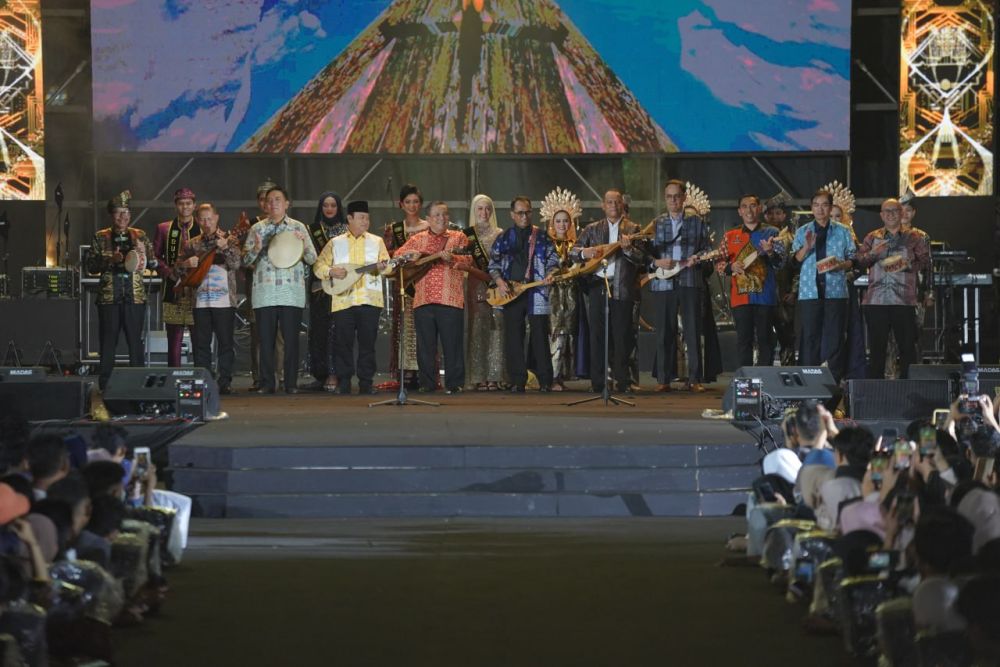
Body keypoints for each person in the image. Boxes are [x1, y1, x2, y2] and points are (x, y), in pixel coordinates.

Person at [242, 186, 316, 394]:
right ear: (265, 205)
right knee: (265, 341)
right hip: (264, 293)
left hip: (291, 292)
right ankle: (266, 383)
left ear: (286, 204)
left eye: (277, 199)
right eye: (269, 200)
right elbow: (245, 261)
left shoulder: (298, 228)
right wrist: (256, 248)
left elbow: (312, 259)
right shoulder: (256, 229)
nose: (273, 203)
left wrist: (302, 246)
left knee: (291, 340)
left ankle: (290, 382)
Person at [571, 189, 645, 395]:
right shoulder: (592, 229)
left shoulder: (633, 228)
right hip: (597, 286)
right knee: (597, 335)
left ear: (622, 205)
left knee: (622, 335)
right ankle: (599, 381)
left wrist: (629, 249)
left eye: (617, 202)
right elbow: (573, 252)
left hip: (622, 287)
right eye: (609, 202)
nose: (613, 205)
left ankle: (623, 381)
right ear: (603, 206)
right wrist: (586, 252)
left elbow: (641, 259)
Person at [313, 201, 389, 395]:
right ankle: (344, 381)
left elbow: (389, 267)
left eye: (367, 218)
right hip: (343, 300)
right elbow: (318, 266)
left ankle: (366, 382)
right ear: (349, 218)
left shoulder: (376, 241)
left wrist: (384, 267)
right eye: (361, 217)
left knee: (367, 343)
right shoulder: (335, 242)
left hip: (369, 300)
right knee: (343, 343)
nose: (366, 221)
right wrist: (331, 271)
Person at [394, 202, 471, 394]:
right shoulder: (417, 239)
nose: (441, 218)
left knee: (452, 345)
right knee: (425, 346)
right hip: (423, 299)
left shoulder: (458, 237)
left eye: (444, 214)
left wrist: (453, 258)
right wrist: (413, 255)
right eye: (436, 215)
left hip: (450, 299)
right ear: (427, 219)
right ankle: (427, 384)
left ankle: (454, 384)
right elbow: (397, 255)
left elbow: (468, 259)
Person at [853, 198, 931, 379]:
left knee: (906, 349)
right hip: (876, 300)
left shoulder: (914, 237)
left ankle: (908, 390)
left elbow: (925, 262)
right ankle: (876, 392)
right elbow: (859, 260)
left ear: (902, 213)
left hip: (903, 300)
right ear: (881, 215)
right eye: (886, 211)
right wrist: (873, 253)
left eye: (894, 211)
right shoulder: (872, 237)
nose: (890, 214)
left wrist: (907, 264)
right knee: (877, 350)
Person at [646, 180, 712, 392]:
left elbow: (707, 249)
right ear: (665, 199)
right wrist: (656, 262)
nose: (673, 200)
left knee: (692, 330)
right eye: (669, 196)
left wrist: (697, 257)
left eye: (676, 196)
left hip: (690, 280)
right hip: (663, 282)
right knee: (664, 332)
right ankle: (664, 380)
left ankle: (694, 379)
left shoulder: (697, 222)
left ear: (684, 198)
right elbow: (644, 254)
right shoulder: (656, 224)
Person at [86, 190, 156, 390]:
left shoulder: (140, 235)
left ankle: (139, 384)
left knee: (136, 343)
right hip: (109, 298)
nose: (123, 217)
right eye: (118, 212)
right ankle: (106, 384)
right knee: (108, 344)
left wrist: (145, 255)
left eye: (126, 212)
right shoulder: (101, 237)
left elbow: (153, 263)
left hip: (134, 297)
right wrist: (109, 260)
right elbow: (90, 266)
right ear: (111, 215)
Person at [488, 196, 559, 393]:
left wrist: (551, 273)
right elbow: (493, 264)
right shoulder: (504, 238)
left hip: (536, 291)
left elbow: (553, 258)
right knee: (513, 336)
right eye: (520, 213)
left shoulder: (542, 236)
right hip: (511, 292)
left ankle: (545, 379)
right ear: (512, 215)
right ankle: (517, 380)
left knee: (539, 335)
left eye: (527, 212)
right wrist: (500, 282)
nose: (524, 216)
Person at [177, 203, 242, 394]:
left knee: (225, 342)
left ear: (216, 218)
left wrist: (226, 248)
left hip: (224, 301)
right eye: (202, 219)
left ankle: (225, 381)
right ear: (197, 221)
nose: (206, 222)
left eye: (209, 218)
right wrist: (186, 263)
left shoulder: (229, 239)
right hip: (200, 302)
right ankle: (203, 378)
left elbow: (237, 264)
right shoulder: (192, 243)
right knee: (201, 343)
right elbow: (176, 271)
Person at [792, 189, 856, 376]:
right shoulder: (803, 231)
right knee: (810, 338)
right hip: (809, 292)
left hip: (835, 292)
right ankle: (809, 383)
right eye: (816, 205)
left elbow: (854, 258)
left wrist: (841, 265)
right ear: (811, 208)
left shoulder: (843, 231)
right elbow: (794, 262)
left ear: (830, 207)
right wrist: (807, 247)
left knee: (835, 339)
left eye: (824, 205)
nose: (820, 209)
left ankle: (833, 384)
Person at [721, 194, 784, 367]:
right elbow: (718, 262)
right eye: (745, 206)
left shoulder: (772, 233)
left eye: (753, 206)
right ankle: (745, 380)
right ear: (739, 211)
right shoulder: (730, 236)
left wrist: (770, 252)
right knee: (744, 340)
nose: (749, 210)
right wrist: (731, 267)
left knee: (766, 339)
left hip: (765, 296)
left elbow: (780, 264)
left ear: (759, 208)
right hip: (740, 298)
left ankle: (765, 379)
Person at [383, 184, 430, 388]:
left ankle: (424, 370)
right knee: (404, 326)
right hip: (403, 285)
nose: (412, 205)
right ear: (401, 204)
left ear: (421, 204)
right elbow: (386, 256)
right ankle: (406, 371)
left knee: (424, 329)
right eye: (408, 202)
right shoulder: (394, 229)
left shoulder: (429, 227)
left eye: (416, 202)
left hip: (424, 283)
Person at [153, 187, 201, 367]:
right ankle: (173, 379)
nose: (185, 207)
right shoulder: (164, 228)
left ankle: (200, 377)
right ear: (176, 206)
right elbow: (155, 258)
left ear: (194, 205)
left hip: (197, 292)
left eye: (188, 203)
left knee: (199, 340)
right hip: (173, 290)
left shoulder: (202, 227)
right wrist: (170, 273)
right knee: (173, 341)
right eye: (181, 204)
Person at [541, 188, 584, 391]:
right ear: (551, 223)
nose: (562, 225)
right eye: (558, 221)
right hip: (552, 295)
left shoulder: (577, 244)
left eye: (565, 221)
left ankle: (564, 374)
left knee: (569, 333)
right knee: (554, 332)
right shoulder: (545, 243)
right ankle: (552, 375)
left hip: (572, 294)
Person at [306, 191, 347, 392]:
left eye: (333, 205)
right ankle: (319, 374)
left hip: (341, 285)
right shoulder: (311, 230)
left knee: (337, 330)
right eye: (325, 205)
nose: (329, 209)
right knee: (319, 329)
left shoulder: (347, 230)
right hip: (318, 286)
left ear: (339, 208)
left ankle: (335, 373)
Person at [244, 178, 283, 391]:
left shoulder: (288, 224)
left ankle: (282, 376)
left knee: (281, 336)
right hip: (257, 286)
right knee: (258, 334)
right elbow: (242, 257)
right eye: (263, 200)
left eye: (273, 199)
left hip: (283, 287)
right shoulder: (251, 225)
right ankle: (260, 378)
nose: (268, 204)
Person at [464, 194, 504, 391]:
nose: (484, 212)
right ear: (474, 211)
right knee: (477, 329)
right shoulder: (466, 236)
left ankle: (495, 376)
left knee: (496, 328)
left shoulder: (500, 233)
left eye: (487, 208)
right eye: (480, 208)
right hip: (474, 285)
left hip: (496, 287)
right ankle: (477, 376)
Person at [764, 193, 798, 366]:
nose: (774, 217)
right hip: (764, 295)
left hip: (784, 296)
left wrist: (794, 291)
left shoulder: (792, 239)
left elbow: (798, 267)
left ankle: (789, 371)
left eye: (778, 213)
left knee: (787, 336)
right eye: (770, 213)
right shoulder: (759, 237)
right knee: (763, 337)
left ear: (785, 216)